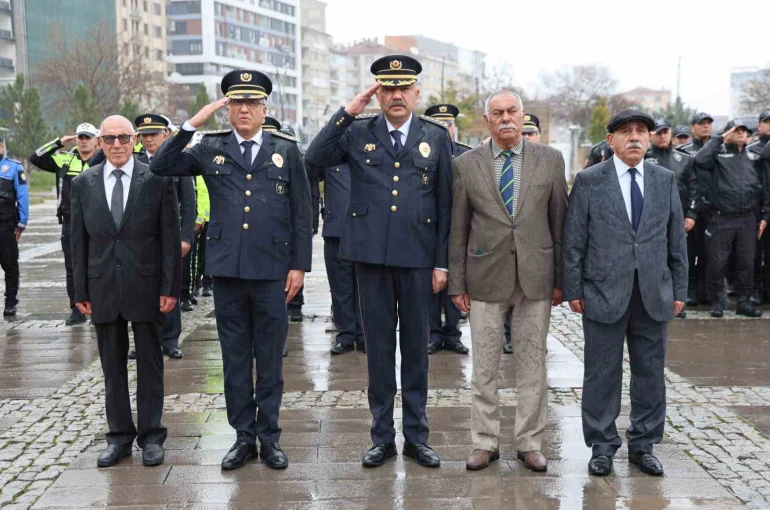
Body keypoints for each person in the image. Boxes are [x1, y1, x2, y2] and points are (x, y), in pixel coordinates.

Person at [150, 69, 312, 471]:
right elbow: (161, 166)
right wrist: (191, 124)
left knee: (270, 359)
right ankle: (243, 437)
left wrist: (300, 266)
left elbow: (302, 212)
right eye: (237, 102)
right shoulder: (210, 147)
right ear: (227, 108)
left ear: (264, 108)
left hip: (273, 270)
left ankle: (269, 437)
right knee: (235, 359)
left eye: (252, 103)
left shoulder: (286, 149)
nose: (244, 109)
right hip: (227, 271)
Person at [305, 55, 452, 468]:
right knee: (379, 351)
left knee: (417, 352)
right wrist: (347, 112)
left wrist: (442, 263)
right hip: (370, 258)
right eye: (388, 88)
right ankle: (381, 436)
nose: (397, 95)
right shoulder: (357, 133)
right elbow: (313, 160)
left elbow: (446, 204)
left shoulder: (435, 137)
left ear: (416, 92)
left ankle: (417, 437)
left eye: (404, 87)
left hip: (419, 259)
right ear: (378, 94)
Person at [562, 109, 688, 477]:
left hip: (653, 293)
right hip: (602, 292)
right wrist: (573, 288)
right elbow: (573, 241)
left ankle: (644, 444)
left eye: (641, 132)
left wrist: (679, 288)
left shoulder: (665, 180)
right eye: (625, 131)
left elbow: (676, 238)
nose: (634, 137)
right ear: (611, 140)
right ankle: (602, 446)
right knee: (601, 373)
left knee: (650, 372)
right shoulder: (589, 180)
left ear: (649, 140)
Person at [449, 90, 568, 472]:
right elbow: (458, 227)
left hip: (536, 276)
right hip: (484, 277)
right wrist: (457, 283)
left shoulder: (549, 160)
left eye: (511, 111)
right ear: (487, 121)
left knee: (533, 364)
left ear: (522, 115)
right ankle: (484, 442)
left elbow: (560, 222)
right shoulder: (467, 164)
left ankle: (530, 442)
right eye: (497, 113)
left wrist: (562, 279)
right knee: (484, 366)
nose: (505, 118)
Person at [70, 115, 181, 468]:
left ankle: (151, 436)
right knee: (112, 366)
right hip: (102, 286)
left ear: (133, 140)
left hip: (146, 285)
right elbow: (77, 241)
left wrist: (169, 287)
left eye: (122, 138)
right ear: (99, 142)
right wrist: (79, 289)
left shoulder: (157, 179)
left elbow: (168, 237)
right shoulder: (83, 184)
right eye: (109, 139)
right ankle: (118, 436)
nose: (116, 145)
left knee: (149, 364)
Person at [695, 120, 767, 318]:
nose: (742, 133)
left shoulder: (754, 156)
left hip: (747, 218)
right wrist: (720, 138)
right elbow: (699, 160)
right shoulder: (718, 154)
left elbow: (764, 186)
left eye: (745, 130)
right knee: (717, 262)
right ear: (728, 133)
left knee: (746, 262)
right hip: (722, 217)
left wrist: (765, 214)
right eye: (737, 130)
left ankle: (744, 301)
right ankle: (717, 300)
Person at [30, 123, 98, 324]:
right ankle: (76, 309)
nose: (84, 141)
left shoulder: (102, 160)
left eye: (88, 137)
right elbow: (36, 157)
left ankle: (98, 308)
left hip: (97, 222)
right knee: (73, 268)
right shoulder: (65, 159)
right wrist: (59, 142)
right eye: (80, 137)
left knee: (97, 267)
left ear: (96, 140)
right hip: (70, 222)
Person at [424, 103, 469, 355]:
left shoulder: (466, 154)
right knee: (433, 282)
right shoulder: (421, 151)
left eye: (448, 124)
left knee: (456, 279)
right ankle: (433, 333)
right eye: (439, 125)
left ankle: (452, 333)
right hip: (429, 226)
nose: (445, 129)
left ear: (454, 127)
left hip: (458, 225)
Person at [644, 118, 699, 316]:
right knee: (655, 260)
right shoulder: (643, 157)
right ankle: (655, 299)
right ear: (651, 135)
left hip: (678, 218)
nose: (662, 136)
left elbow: (694, 188)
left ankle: (677, 299)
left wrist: (691, 214)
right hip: (650, 220)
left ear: (670, 133)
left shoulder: (683, 159)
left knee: (677, 259)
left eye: (665, 132)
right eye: (658, 132)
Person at [502, 112, 543, 354]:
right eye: (524, 132)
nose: (527, 137)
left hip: (535, 246)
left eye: (531, 133)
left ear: (539, 135)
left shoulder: (548, 161)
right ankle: (509, 336)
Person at [317, 162, 366, 355]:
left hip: (365, 231)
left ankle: (364, 335)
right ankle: (345, 334)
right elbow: (312, 163)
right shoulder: (331, 154)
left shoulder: (370, 149)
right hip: (336, 230)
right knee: (340, 288)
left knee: (364, 288)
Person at [680, 112, 715, 304]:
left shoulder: (719, 148)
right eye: (701, 124)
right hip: (692, 210)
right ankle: (689, 290)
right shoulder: (684, 151)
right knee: (689, 252)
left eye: (709, 123)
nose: (706, 127)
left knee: (709, 253)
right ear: (693, 127)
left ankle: (705, 290)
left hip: (713, 209)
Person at [0, 137, 28, 317]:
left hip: (5, 224)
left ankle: (10, 302)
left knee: (9, 264)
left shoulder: (13, 168)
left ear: (1, 146)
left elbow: (23, 196)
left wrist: (22, 222)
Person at [747, 108, 770, 304]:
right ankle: (755, 290)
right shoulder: (751, 150)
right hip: (756, 208)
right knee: (754, 254)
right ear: (759, 125)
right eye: (767, 121)